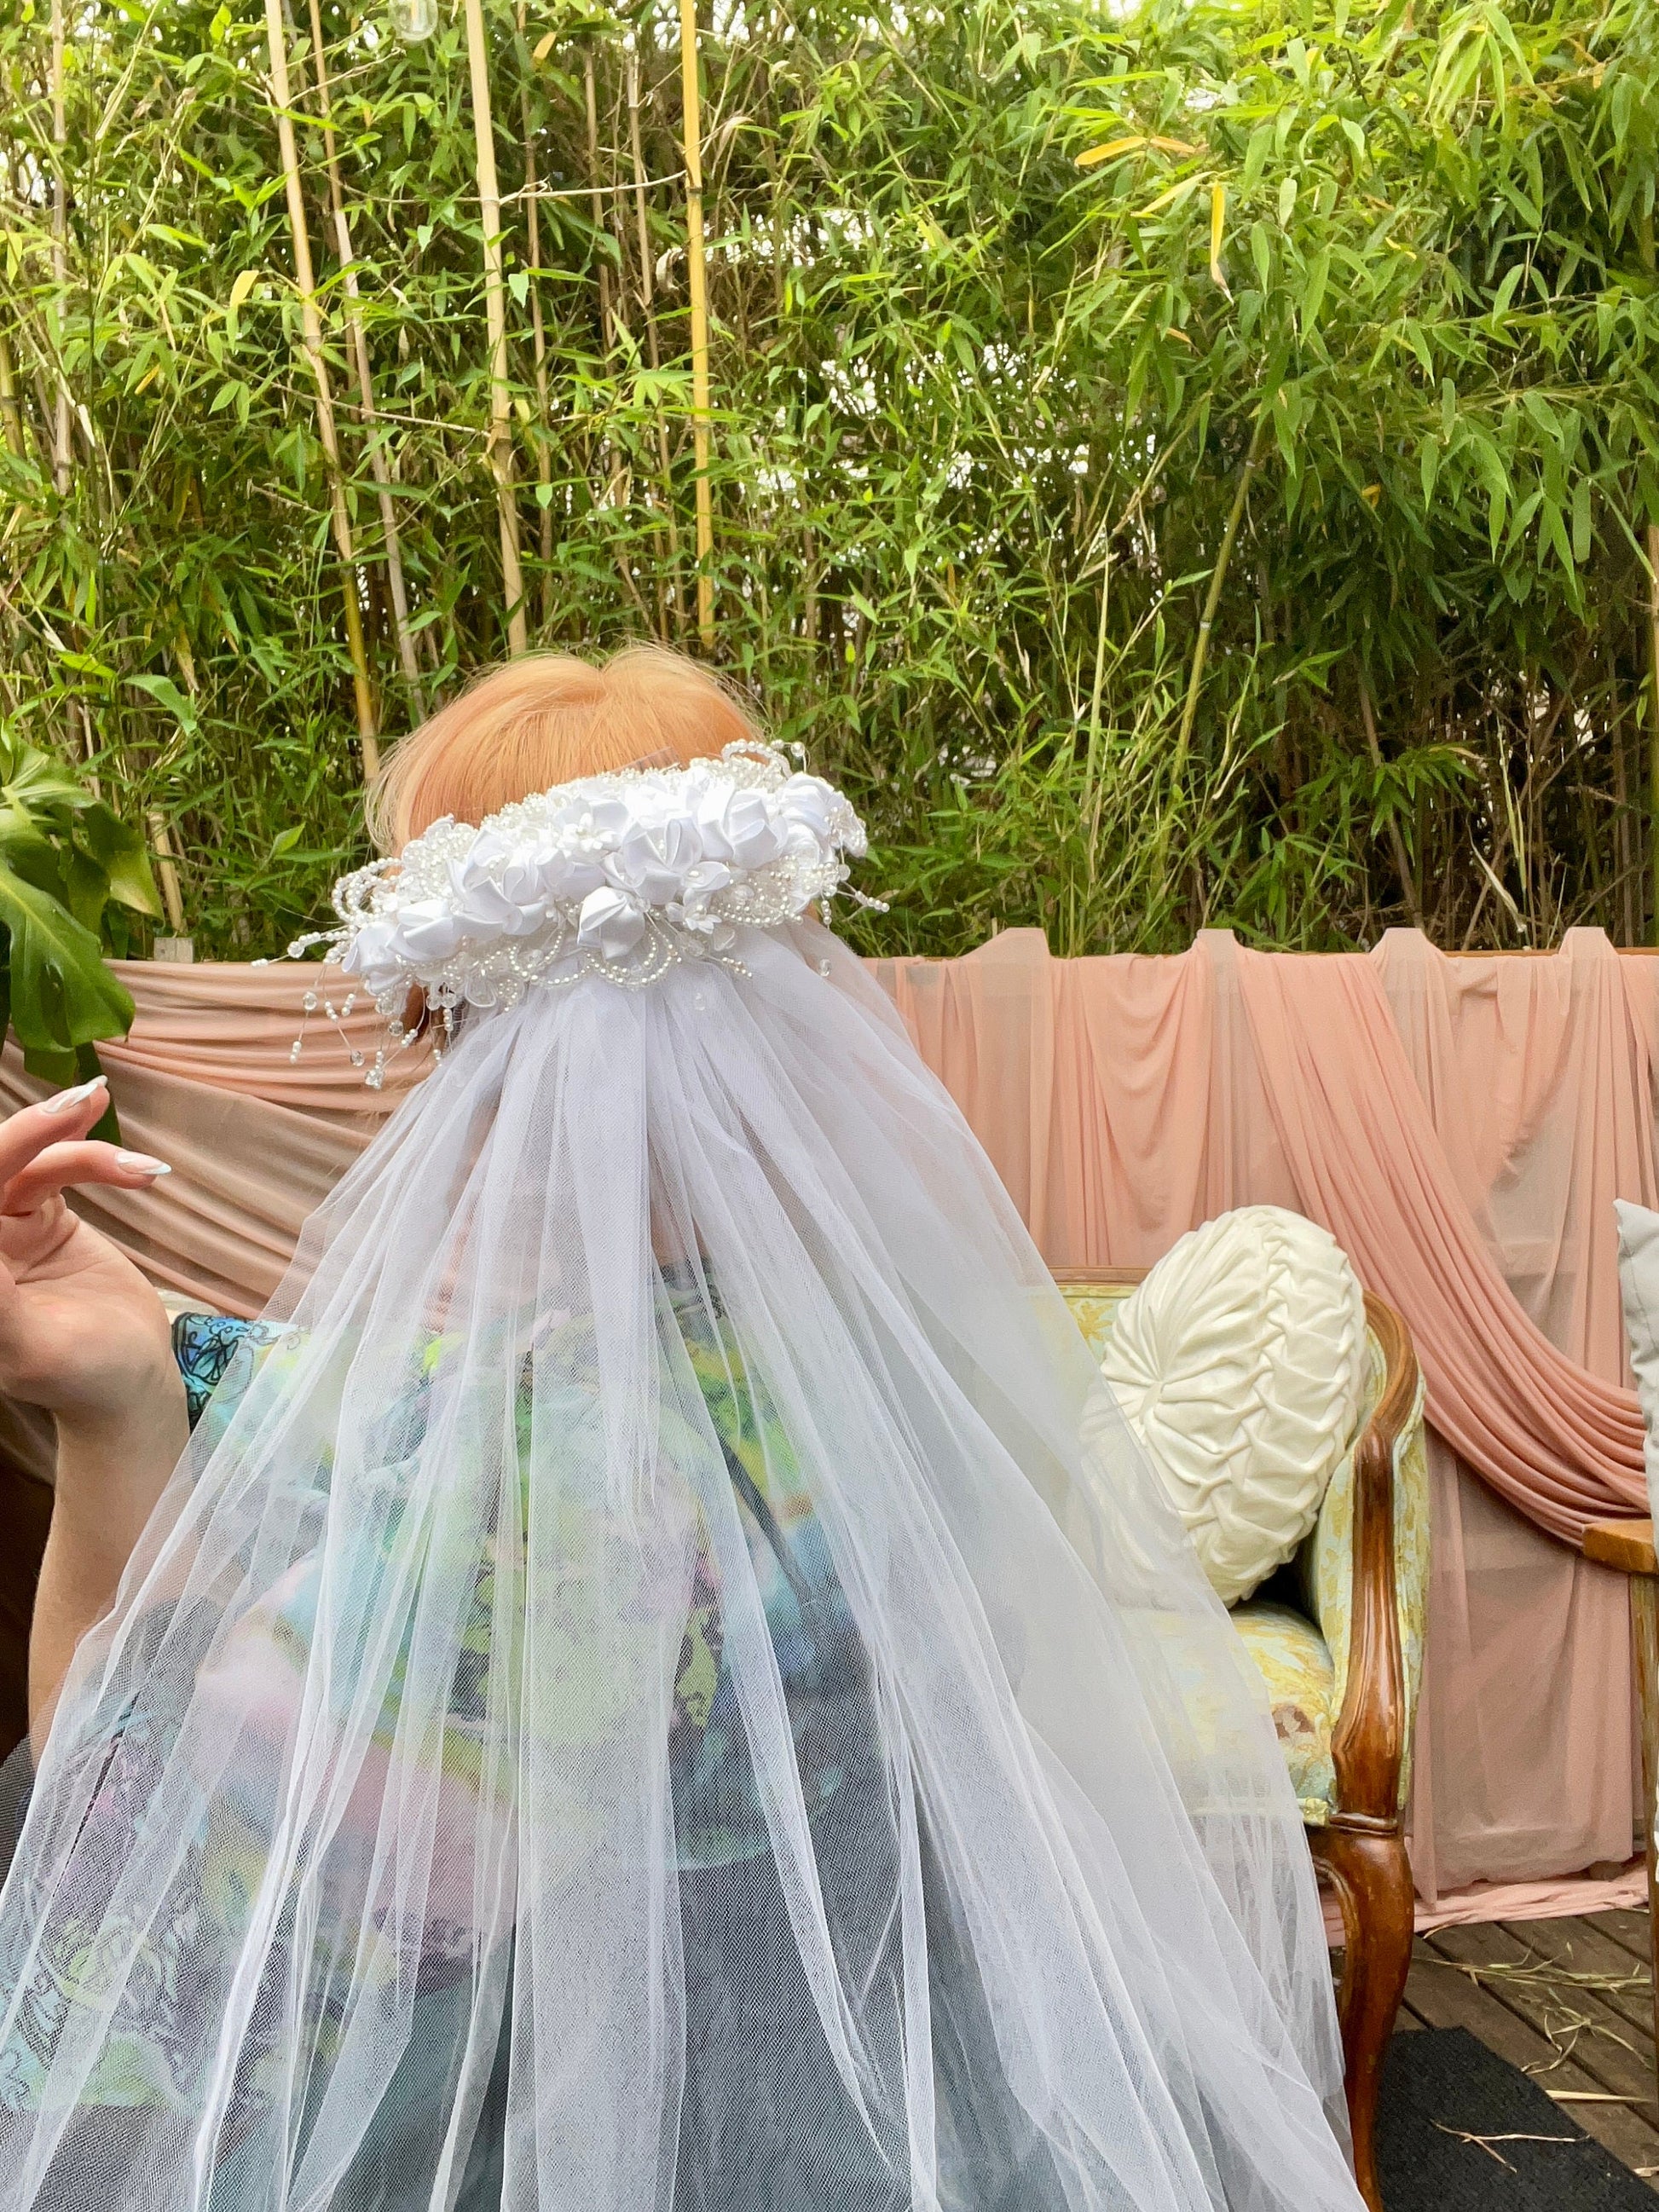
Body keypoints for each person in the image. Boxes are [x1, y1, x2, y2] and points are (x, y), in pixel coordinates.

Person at [0, 646, 1365, 2211]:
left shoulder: (536, 1471)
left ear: (467, 1024)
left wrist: (110, 1410)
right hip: (906, 2114)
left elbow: (135, 1921)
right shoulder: (900, 1366)